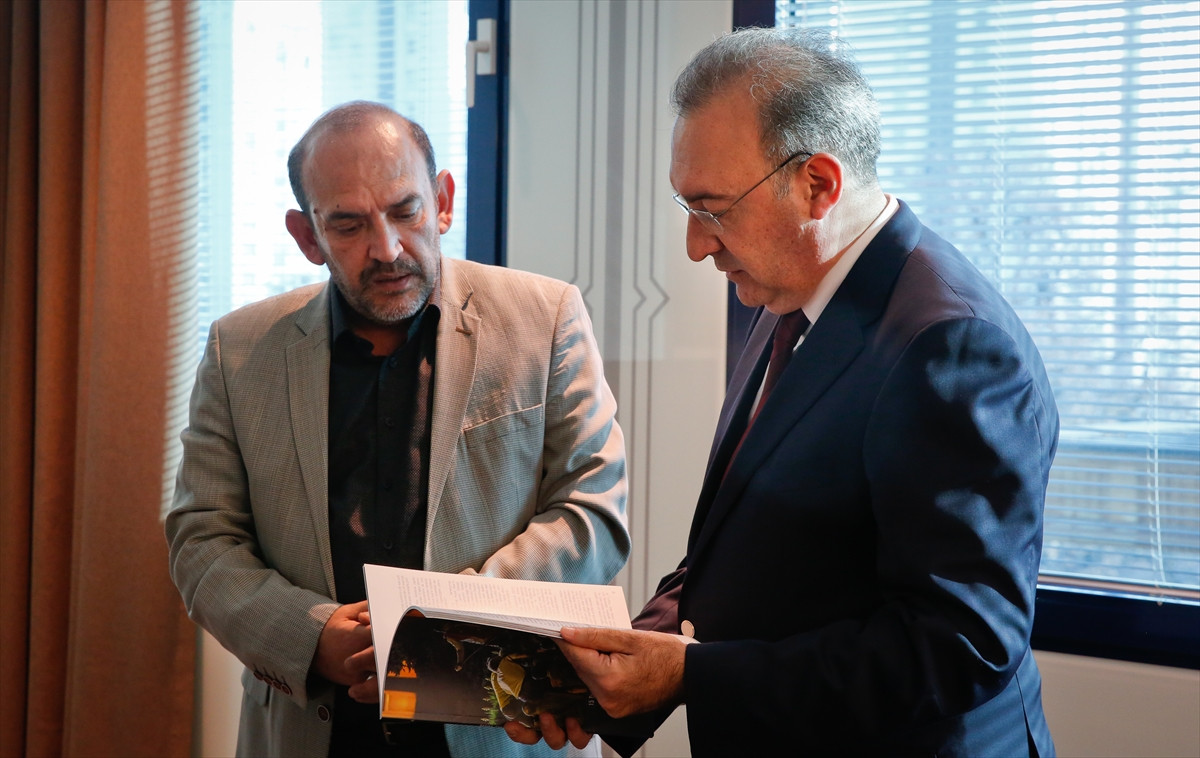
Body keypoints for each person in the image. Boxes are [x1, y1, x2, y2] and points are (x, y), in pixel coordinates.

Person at [506, 27, 1058, 758]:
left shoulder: (951, 344)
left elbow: (959, 645)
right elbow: (744, 545)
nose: (696, 245)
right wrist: (611, 675)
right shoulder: (791, 289)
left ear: (818, 186)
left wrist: (691, 675)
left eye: (714, 208)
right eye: (687, 207)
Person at [165, 101, 630, 758]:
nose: (386, 249)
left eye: (405, 211)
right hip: (313, 730)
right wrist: (310, 636)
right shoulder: (237, 351)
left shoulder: (546, 318)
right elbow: (202, 540)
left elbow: (593, 511)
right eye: (348, 225)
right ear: (307, 236)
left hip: (500, 731)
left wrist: (437, 632)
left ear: (442, 202)